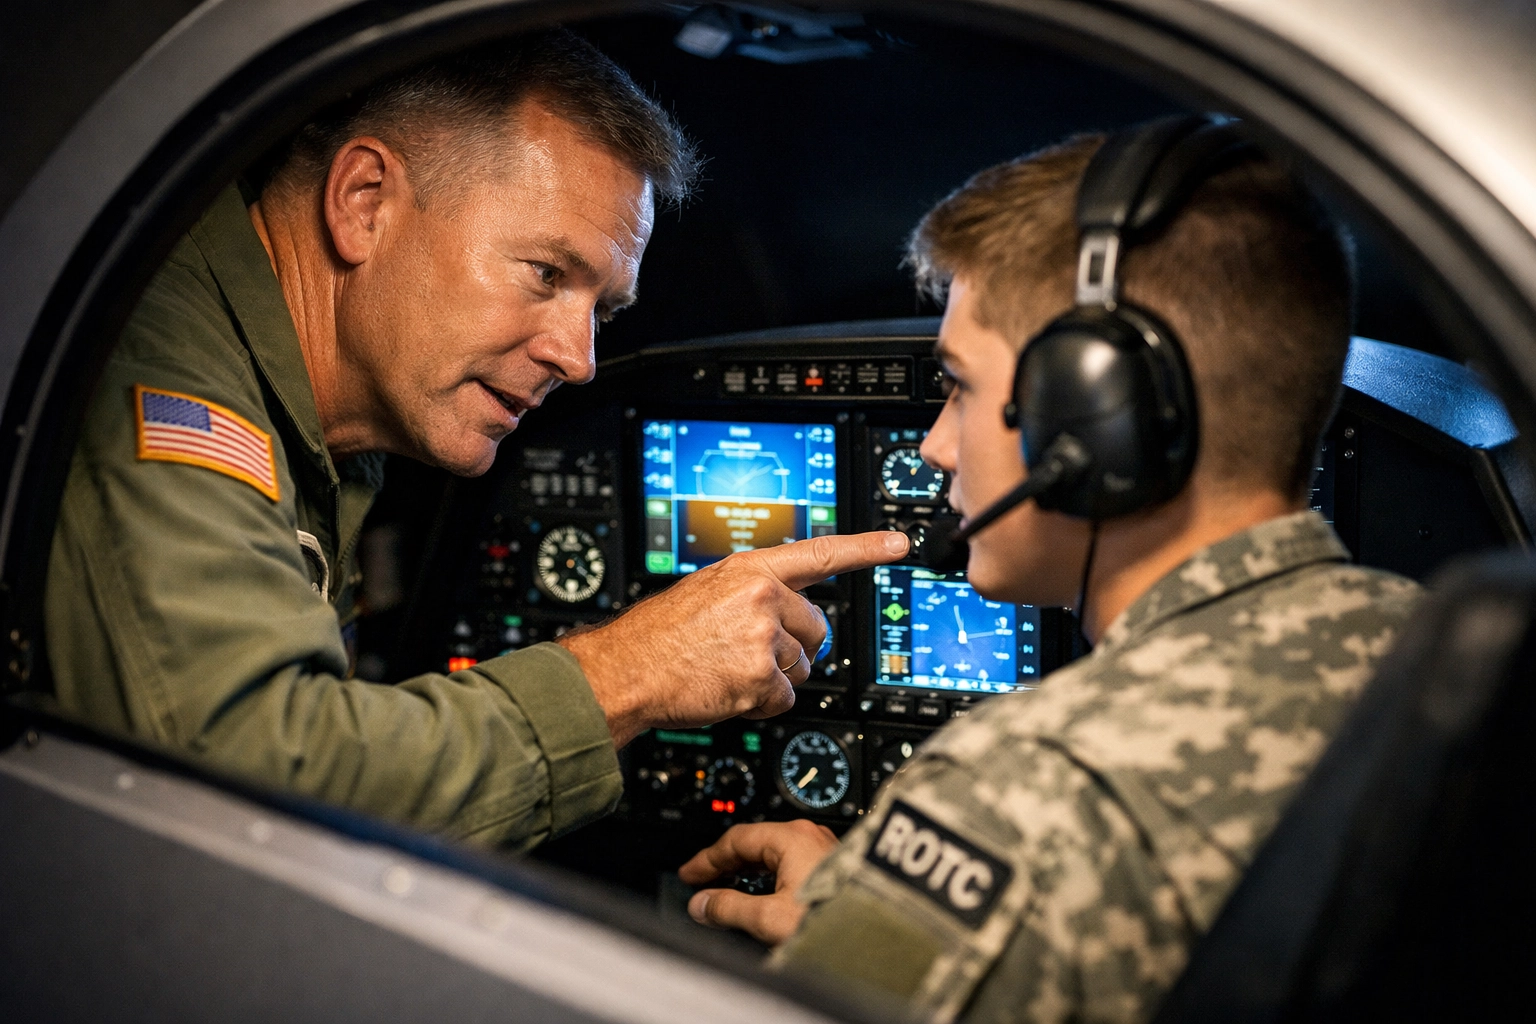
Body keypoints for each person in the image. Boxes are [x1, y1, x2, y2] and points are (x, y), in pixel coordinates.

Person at [43, 30, 908, 849]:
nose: (578, 359)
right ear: (364, 203)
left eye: (601, 310)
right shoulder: (160, 373)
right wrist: (628, 672)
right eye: (545, 274)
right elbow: (245, 790)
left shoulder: (326, 416)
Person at [678, 126, 1422, 1021]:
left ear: (1097, 419)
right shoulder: (1442, 653)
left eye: (956, 384)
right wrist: (880, 918)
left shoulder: (1016, 792)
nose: (933, 444)